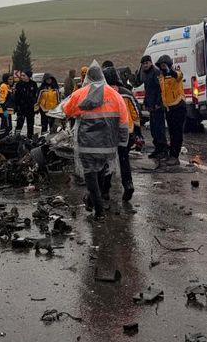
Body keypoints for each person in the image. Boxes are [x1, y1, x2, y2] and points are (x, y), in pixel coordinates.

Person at [62, 61, 129, 221]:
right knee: (101, 170)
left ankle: (98, 210)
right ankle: (93, 203)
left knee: (90, 174)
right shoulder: (114, 95)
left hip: (87, 143)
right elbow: (124, 119)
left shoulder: (81, 93)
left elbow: (67, 110)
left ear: (88, 78)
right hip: (108, 144)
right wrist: (122, 142)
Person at [103, 65, 143, 201]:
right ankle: (128, 184)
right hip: (127, 131)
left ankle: (105, 189)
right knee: (124, 159)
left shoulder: (103, 93)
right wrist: (137, 130)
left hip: (109, 133)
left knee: (108, 161)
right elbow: (136, 113)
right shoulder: (126, 92)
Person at [157, 54, 186, 166]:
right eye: (161, 66)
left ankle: (175, 156)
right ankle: (171, 154)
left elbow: (178, 75)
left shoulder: (175, 74)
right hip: (169, 108)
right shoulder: (162, 78)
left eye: (164, 65)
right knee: (172, 133)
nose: (162, 67)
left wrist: (170, 71)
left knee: (177, 132)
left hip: (178, 106)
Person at [140, 55, 168, 161]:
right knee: (153, 129)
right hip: (151, 106)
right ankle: (158, 149)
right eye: (143, 64)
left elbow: (161, 89)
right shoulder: (147, 74)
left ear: (151, 63)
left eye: (146, 63)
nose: (145, 65)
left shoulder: (156, 73)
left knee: (159, 129)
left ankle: (163, 149)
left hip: (157, 106)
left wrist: (158, 103)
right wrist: (145, 102)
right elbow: (148, 91)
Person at [13, 70, 38, 137]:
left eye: (24, 76)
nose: (22, 77)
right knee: (19, 124)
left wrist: (36, 107)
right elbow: (16, 97)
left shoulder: (33, 84)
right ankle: (16, 137)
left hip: (30, 108)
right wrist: (16, 107)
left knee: (30, 125)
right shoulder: (19, 84)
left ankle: (30, 138)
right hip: (21, 108)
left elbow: (36, 96)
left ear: (28, 76)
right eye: (21, 75)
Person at [0, 73, 14, 138]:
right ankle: (5, 141)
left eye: (12, 79)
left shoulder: (8, 86)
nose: (11, 80)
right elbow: (1, 100)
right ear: (6, 79)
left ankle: (2, 140)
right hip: (4, 110)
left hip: (7, 110)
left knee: (4, 127)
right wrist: (5, 110)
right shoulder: (4, 86)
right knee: (7, 127)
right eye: (9, 79)